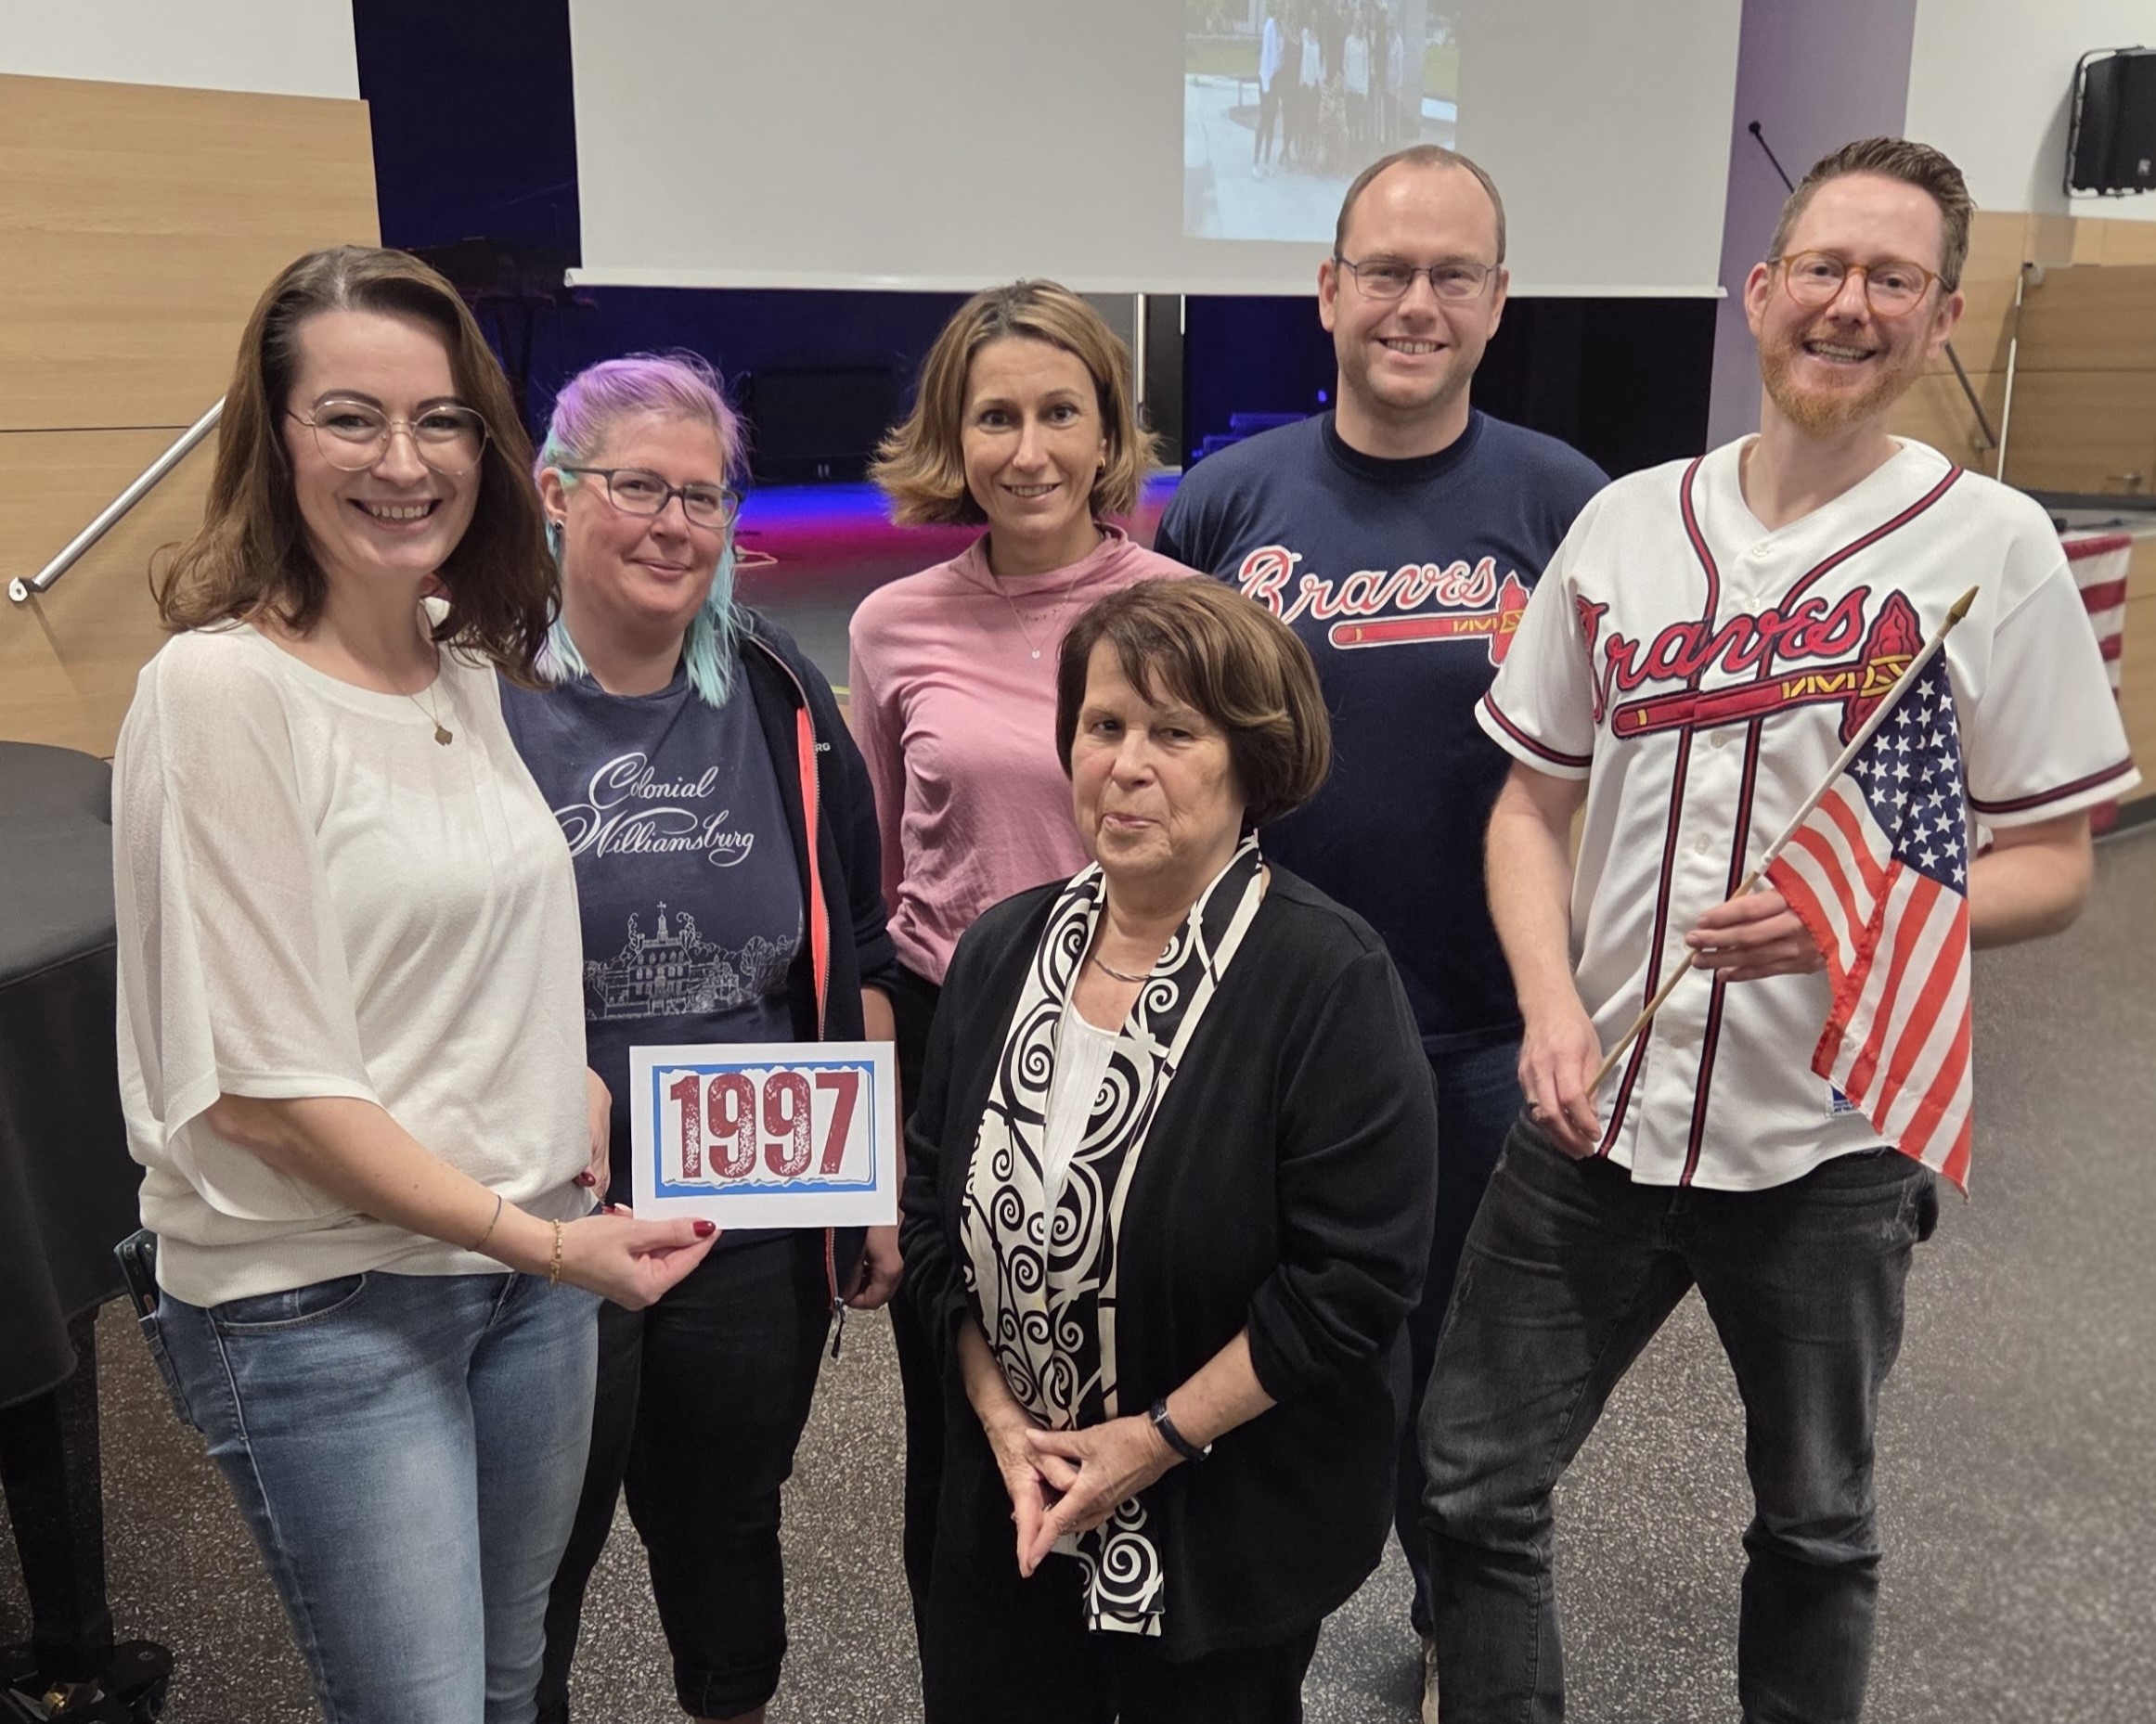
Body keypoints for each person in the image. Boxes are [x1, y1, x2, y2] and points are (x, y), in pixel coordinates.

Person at [1423, 137, 2138, 1723]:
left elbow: (2050, 868)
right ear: (1757, 292)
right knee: (1471, 1481)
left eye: (1891, 279)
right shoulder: (1624, 524)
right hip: (1594, 1106)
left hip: (1827, 1134)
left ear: (1941, 317)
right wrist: (1546, 1005)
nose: (1846, 303)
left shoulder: (1990, 546)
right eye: (1819, 267)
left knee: (1813, 1524)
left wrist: (1845, 920)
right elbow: (1527, 804)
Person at [110, 246, 717, 1724]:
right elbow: (266, 1097)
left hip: (521, 1272)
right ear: (273, 439)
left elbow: (469, 939)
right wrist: (547, 1241)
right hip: (328, 1297)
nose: (404, 461)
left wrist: (556, 1085)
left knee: (508, 1681)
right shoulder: (219, 691)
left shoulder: (461, 664)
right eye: (351, 418)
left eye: (441, 420)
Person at [1151, 143, 1606, 1705]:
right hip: (1256, 1028)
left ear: (1497, 302)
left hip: (1483, 1032)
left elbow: (1623, 766)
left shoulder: (1565, 504)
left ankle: (1443, 1621)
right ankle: (1246, 1629)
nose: (1415, 303)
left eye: (1450, 275)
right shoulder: (1228, 501)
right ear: (1326, 290)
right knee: (1263, 1339)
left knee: (1464, 1379)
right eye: (1385, 271)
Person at [901, 577, 1439, 1723]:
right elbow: (931, 1212)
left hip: (1216, 1514)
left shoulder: (1327, 979)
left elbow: (1352, 1284)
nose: (1126, 765)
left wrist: (1147, 1443)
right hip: (1008, 1502)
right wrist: (999, 1423)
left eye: (1175, 733)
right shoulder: (1000, 952)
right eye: (1103, 725)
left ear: (1253, 760)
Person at [498, 352, 901, 1724]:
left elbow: (858, 941)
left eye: (704, 495)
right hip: (541, 1207)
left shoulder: (779, 693)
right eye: (637, 488)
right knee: (534, 1552)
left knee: (726, 1518)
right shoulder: (472, 697)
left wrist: (869, 1181)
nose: (675, 524)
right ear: (555, 492)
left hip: (751, 1203)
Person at [852, 279, 1188, 1645]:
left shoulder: (1183, 611)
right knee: (956, 1384)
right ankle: (981, 1652)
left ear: (1109, 432)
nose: (1029, 448)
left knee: (1129, 1359)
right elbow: (877, 875)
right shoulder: (891, 625)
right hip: (956, 1042)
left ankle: (1135, 1644)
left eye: (1061, 412)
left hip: (1143, 1038)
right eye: (995, 416)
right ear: (953, 435)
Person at [1254, 6, 1285, 176]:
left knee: (1272, 120)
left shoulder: (1282, 27)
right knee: (1264, 119)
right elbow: (1266, 55)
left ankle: (1266, 161)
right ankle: (1255, 162)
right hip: (1267, 78)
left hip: (1278, 79)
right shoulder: (1270, 26)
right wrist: (1266, 85)